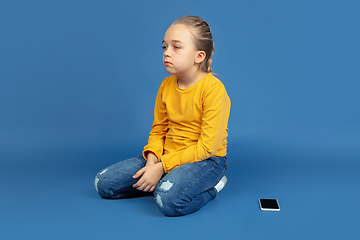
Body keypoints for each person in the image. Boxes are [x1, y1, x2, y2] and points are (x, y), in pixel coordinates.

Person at [94, 15, 231, 216]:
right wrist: (152, 162)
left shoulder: (213, 90)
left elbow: (207, 147)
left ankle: (213, 187)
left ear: (199, 56)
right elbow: (159, 129)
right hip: (165, 156)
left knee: (168, 201)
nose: (167, 53)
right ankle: (164, 182)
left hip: (205, 160)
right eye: (164, 47)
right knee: (103, 184)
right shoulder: (166, 86)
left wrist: (162, 167)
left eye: (176, 47)